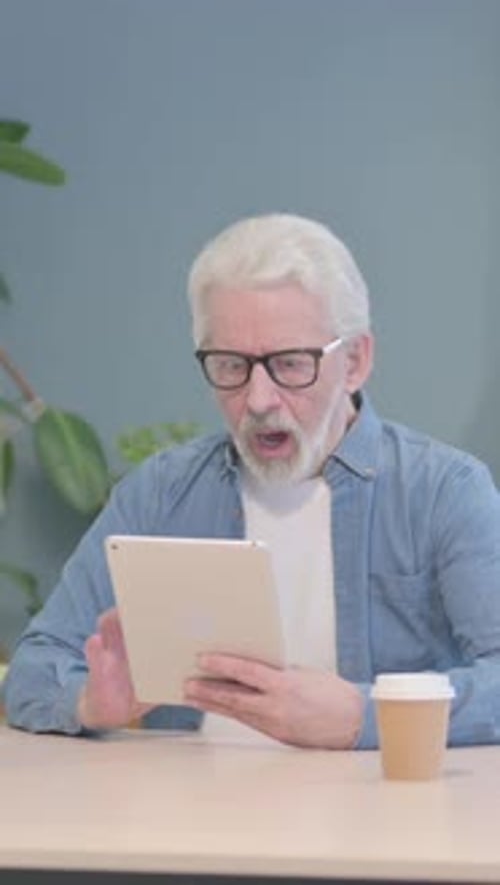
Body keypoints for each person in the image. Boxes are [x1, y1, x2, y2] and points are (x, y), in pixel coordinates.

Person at [4, 213, 500, 749]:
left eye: (289, 363)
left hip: (379, 821)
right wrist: (91, 703)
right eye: (230, 365)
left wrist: (364, 716)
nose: (258, 400)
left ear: (354, 361)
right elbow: (34, 668)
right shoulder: (160, 494)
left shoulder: (444, 492)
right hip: (191, 819)